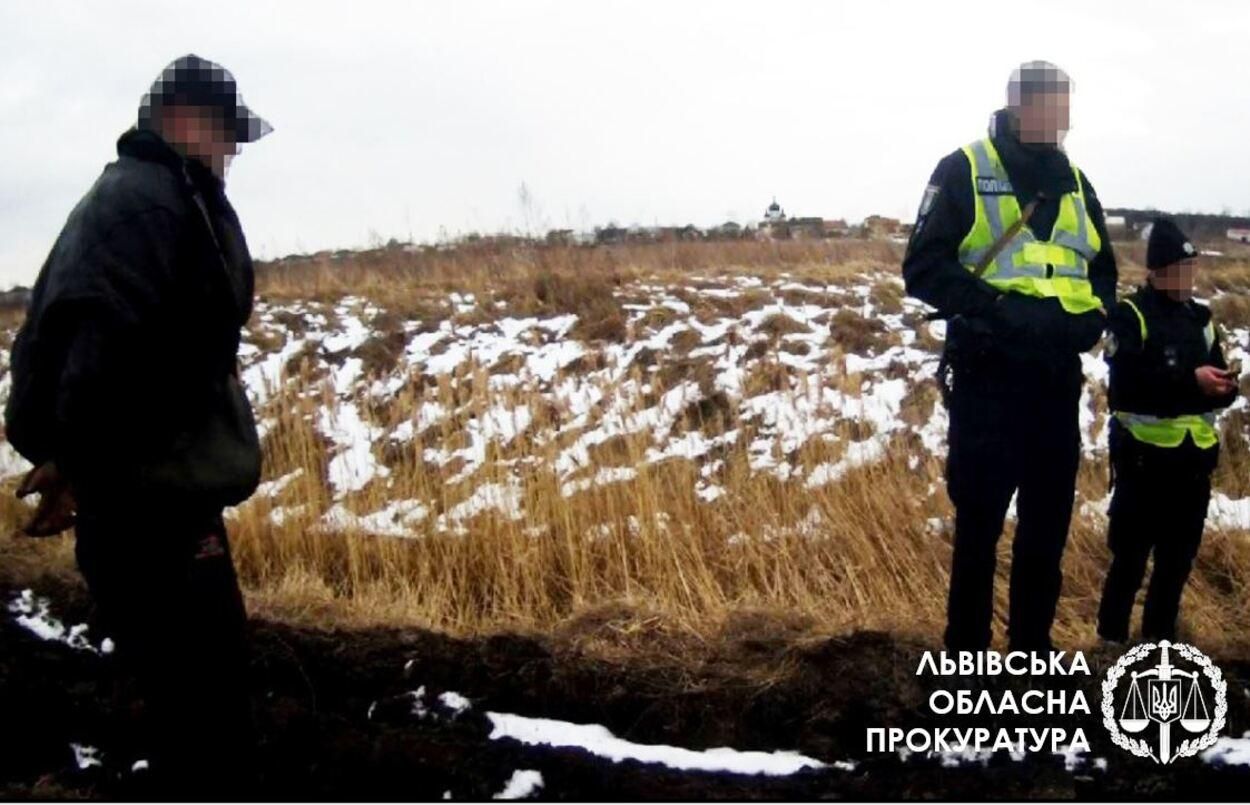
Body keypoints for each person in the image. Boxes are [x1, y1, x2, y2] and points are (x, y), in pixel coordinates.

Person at [5, 54, 271, 791]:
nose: (230, 153)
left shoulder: (145, 197)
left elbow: (109, 357)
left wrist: (70, 466)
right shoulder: (150, 206)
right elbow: (103, 360)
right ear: (184, 120)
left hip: (147, 502)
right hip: (153, 513)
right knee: (205, 706)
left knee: (184, 692)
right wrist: (82, 468)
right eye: (224, 134)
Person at [902, 61, 1117, 651]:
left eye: (1069, 108)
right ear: (1021, 106)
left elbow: (1102, 272)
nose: (1066, 120)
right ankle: (966, 655)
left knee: (1046, 530)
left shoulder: (1076, 182)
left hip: (1054, 379)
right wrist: (998, 311)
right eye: (1057, 106)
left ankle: (1031, 652)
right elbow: (923, 269)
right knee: (979, 527)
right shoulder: (966, 168)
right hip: (987, 372)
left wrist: (1091, 318)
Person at [1097, 218, 1238, 643]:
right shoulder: (1131, 314)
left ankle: (1158, 645)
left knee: (1177, 563)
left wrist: (1224, 387)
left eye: (1191, 270)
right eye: (1179, 270)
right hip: (1143, 462)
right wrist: (1190, 383)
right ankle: (1111, 647)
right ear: (1156, 271)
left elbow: (1216, 387)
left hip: (1193, 464)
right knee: (1129, 562)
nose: (1187, 278)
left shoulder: (1202, 318)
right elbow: (1126, 387)